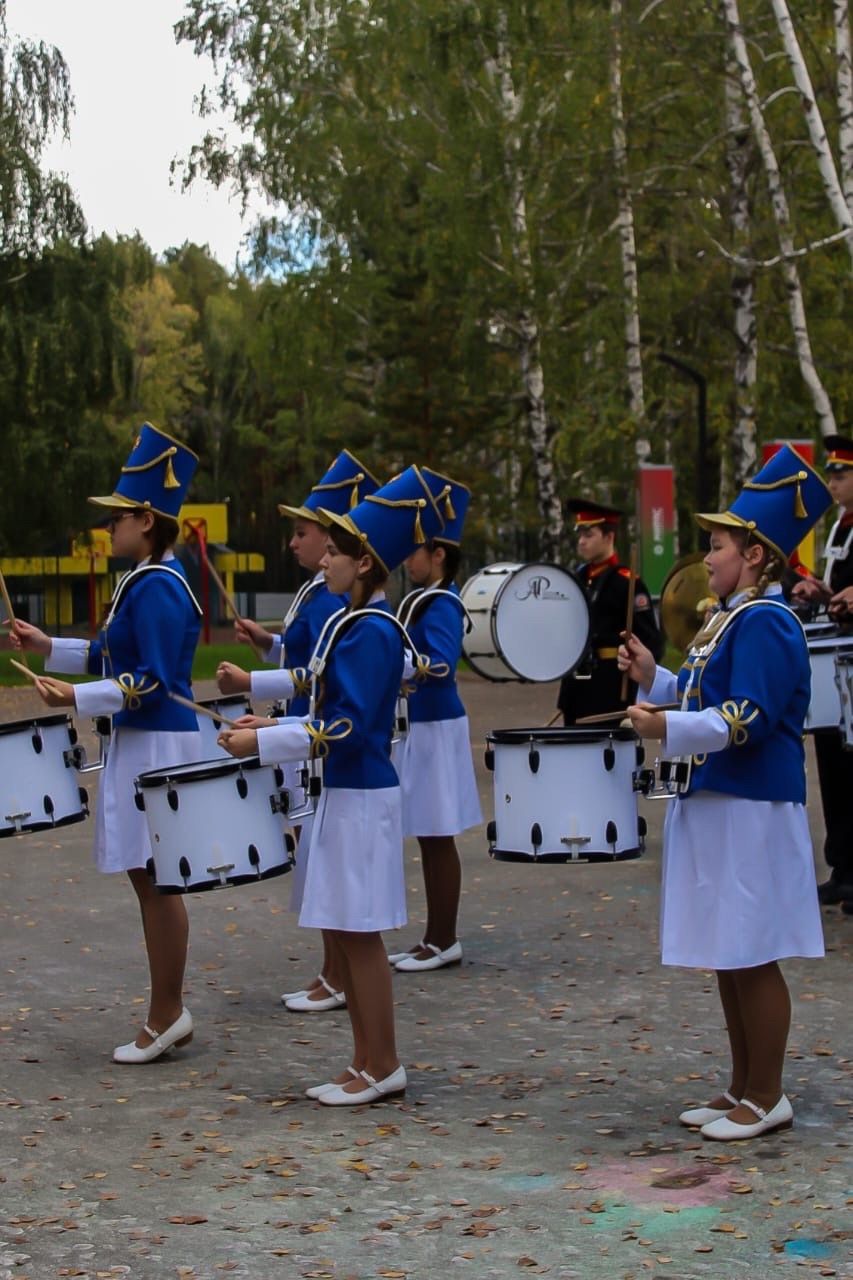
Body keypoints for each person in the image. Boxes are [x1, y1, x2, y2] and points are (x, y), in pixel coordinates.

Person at [619, 445, 831, 1140]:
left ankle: (766, 1094)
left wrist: (669, 726)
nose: (706, 558)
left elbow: (748, 715)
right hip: (715, 799)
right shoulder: (727, 620)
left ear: (757, 556)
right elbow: (698, 693)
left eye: (717, 546)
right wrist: (655, 680)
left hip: (751, 804)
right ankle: (741, 1085)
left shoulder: (767, 621)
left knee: (751, 946)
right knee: (726, 946)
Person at [219, 466, 444, 1105]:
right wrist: (262, 712)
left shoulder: (373, 629)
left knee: (362, 933)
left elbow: (347, 725)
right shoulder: (351, 623)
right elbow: (316, 689)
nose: (327, 563)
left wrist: (261, 741)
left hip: (362, 792)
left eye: (339, 553)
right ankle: (363, 1059)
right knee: (347, 930)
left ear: (366, 562)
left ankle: (384, 1063)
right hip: (342, 792)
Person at [9, 424, 203, 1064]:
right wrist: (49, 649)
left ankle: (167, 1012)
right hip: (139, 742)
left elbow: (149, 681)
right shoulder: (146, 580)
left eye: (118, 518)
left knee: (156, 880)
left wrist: (76, 697)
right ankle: (166, 1010)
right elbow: (105, 652)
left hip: (155, 744)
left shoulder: (159, 587)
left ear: (147, 520)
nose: (109, 528)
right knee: (146, 876)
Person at [216, 450, 378, 1007]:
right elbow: (310, 662)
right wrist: (266, 650)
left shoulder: (355, 615)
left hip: (335, 760)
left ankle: (339, 976)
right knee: (320, 866)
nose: (298, 544)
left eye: (311, 536)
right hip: (313, 741)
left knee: (336, 882)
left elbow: (323, 687)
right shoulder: (326, 598)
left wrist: (263, 710)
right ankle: (336, 975)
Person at [387, 467, 483, 973]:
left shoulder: (442, 602)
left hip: (436, 726)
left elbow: (442, 663)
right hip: (423, 725)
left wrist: (394, 666)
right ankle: (433, 936)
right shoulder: (425, 600)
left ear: (439, 554)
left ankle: (443, 938)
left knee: (437, 832)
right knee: (429, 831)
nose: (408, 558)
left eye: (416, 549)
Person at [790, 434, 853, 912]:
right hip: (836, 654)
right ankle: (843, 867)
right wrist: (821, 590)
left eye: (841, 474)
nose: (833, 482)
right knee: (833, 765)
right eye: (830, 474)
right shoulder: (838, 528)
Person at [557, 501, 662, 724]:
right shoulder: (576, 580)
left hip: (611, 691)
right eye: (580, 535)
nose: (582, 541)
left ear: (608, 537)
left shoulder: (626, 583)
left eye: (589, 534)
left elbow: (650, 640)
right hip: (576, 689)